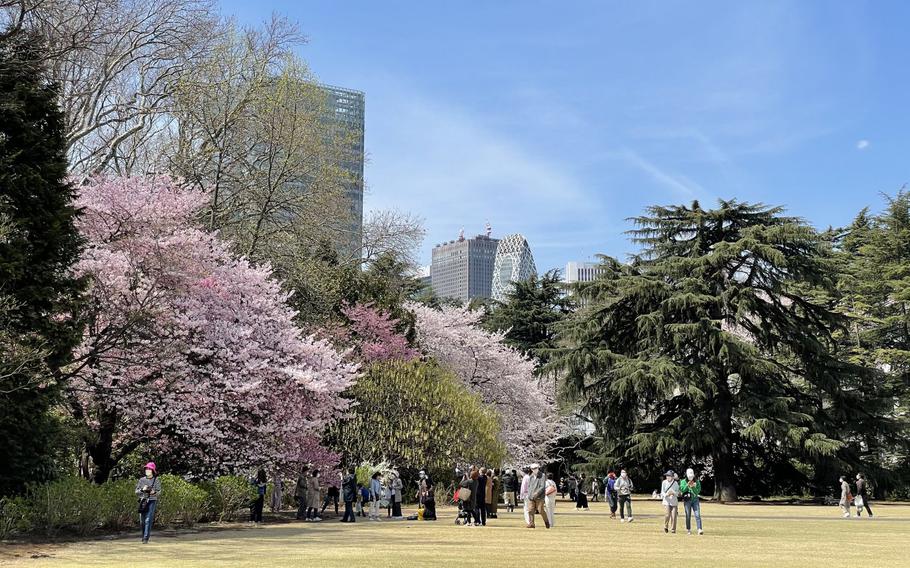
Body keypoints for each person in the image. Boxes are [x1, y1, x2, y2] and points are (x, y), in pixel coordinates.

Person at [135, 462, 161, 544]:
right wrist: (143, 489)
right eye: (146, 469)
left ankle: (146, 538)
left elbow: (159, 492)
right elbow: (136, 491)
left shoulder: (156, 480)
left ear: (153, 471)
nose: (147, 470)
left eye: (149, 469)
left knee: (148, 520)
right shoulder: (142, 480)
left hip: (152, 500)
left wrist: (153, 492)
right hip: (143, 501)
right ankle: (143, 536)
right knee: (142, 520)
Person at [526, 464, 550, 529]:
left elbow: (542, 487)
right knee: (530, 510)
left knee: (540, 510)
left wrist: (537, 493)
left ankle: (547, 522)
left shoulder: (542, 476)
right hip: (531, 497)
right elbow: (529, 486)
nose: (534, 469)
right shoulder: (531, 476)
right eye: (533, 468)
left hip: (539, 497)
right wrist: (529, 494)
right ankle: (531, 523)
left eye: (536, 468)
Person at [680, 468, 703, 535]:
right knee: (688, 515)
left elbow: (697, 491)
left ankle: (699, 529)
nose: (691, 478)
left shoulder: (697, 482)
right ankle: (688, 529)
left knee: (697, 514)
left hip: (695, 500)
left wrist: (693, 486)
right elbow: (682, 490)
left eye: (692, 476)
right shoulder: (683, 481)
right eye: (689, 476)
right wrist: (687, 485)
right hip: (687, 500)